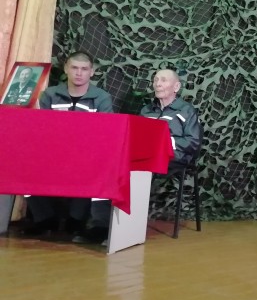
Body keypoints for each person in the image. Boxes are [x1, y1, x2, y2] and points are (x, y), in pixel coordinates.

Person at [73, 68, 201, 244]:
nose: (158, 84)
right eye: (155, 80)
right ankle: (100, 226)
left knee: (135, 173)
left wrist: (164, 143)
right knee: (107, 169)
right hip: (145, 157)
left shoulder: (186, 111)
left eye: (163, 80)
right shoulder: (146, 110)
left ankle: (125, 232)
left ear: (176, 86)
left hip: (174, 158)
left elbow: (193, 142)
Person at [23, 51, 113, 236]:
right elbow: (40, 128)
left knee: (99, 167)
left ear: (92, 72)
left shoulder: (102, 97)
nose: (79, 73)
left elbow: (106, 132)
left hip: (87, 154)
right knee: (25, 165)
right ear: (66, 69)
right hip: (52, 153)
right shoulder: (49, 94)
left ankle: (76, 220)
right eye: (74, 68)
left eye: (84, 69)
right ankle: (44, 219)